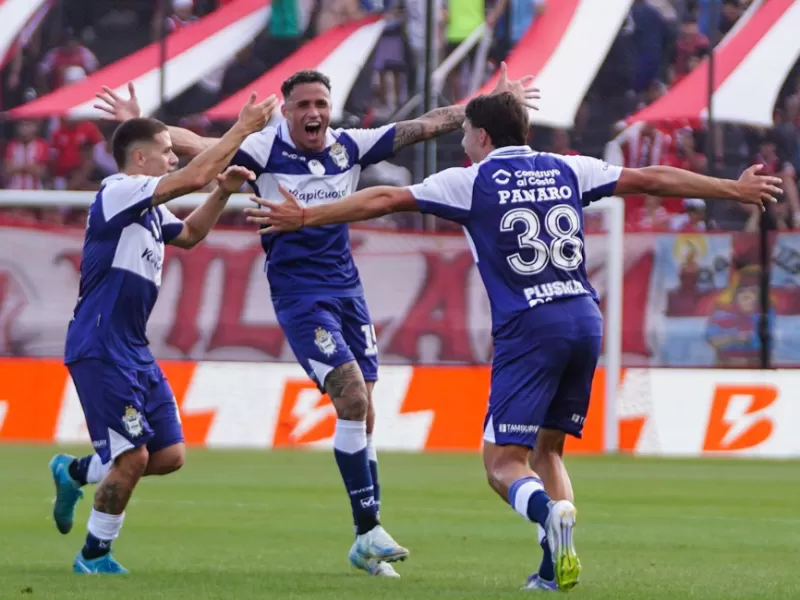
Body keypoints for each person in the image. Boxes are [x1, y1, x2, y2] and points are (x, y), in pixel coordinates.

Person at [243, 92, 782, 591]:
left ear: (481, 137)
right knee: (548, 449)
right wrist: (731, 189)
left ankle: (548, 514)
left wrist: (307, 215)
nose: (462, 143)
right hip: (584, 318)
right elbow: (652, 179)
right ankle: (552, 569)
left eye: (466, 135)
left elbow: (384, 198)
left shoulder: (471, 179)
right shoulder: (569, 166)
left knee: (502, 464)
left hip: (530, 326)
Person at [91, 65, 540, 578]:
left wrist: (493, 104)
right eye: (303, 105)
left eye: (320, 104)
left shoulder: (350, 145)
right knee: (351, 396)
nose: (313, 114)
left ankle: (364, 537)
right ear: (285, 111)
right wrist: (139, 124)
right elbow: (195, 145)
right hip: (300, 296)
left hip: (348, 292)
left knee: (365, 410)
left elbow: (429, 122)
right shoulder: (263, 148)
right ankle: (369, 530)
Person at [51, 92, 277, 574]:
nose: (174, 156)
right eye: (166, 150)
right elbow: (194, 174)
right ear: (139, 158)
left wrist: (223, 192)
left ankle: (75, 472)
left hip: (132, 347)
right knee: (132, 458)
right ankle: (94, 556)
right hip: (101, 345)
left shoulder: (148, 209)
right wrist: (241, 129)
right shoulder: (118, 191)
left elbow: (191, 236)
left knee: (169, 455)